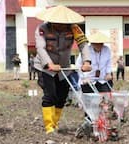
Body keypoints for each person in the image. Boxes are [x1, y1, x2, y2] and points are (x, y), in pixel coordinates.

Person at [34, 5, 92, 134]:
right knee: (50, 95)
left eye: (63, 23)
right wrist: (49, 64)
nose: (60, 26)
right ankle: (49, 127)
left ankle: (55, 122)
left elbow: (83, 44)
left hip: (64, 68)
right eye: (57, 23)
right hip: (45, 67)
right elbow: (40, 48)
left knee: (62, 95)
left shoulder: (74, 28)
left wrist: (87, 61)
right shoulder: (42, 29)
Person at [75, 32, 118, 141]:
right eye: (96, 44)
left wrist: (109, 73)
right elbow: (78, 65)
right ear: (92, 43)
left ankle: (104, 125)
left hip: (102, 80)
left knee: (105, 102)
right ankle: (89, 126)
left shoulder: (106, 50)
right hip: (88, 80)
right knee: (90, 105)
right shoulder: (86, 52)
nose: (99, 46)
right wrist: (84, 77)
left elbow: (108, 64)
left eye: (100, 44)